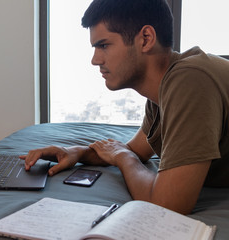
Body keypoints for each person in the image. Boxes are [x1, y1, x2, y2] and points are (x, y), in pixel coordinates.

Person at [20, 0, 229, 214]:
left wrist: (124, 158)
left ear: (146, 39)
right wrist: (76, 153)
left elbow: (167, 205)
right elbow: (135, 150)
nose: (95, 60)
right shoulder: (162, 92)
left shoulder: (190, 80)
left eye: (103, 45)